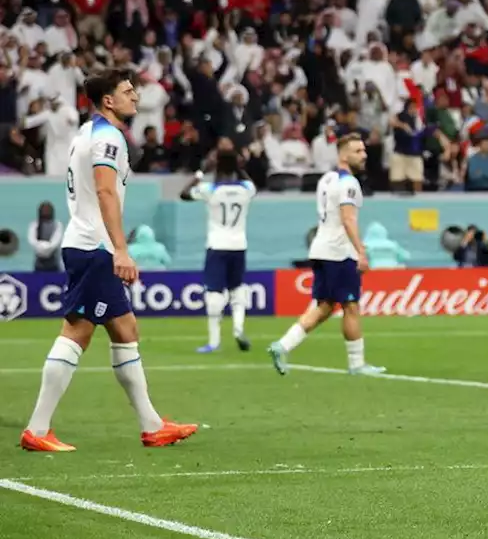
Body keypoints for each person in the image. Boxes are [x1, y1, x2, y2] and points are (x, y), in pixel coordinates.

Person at [20, 68, 197, 452]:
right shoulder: (107, 138)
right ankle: (37, 428)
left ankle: (152, 424)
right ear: (108, 101)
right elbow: (105, 192)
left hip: (86, 244)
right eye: (128, 91)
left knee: (125, 328)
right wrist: (120, 248)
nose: (136, 96)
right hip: (94, 247)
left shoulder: (86, 132)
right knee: (77, 332)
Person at [268, 134, 385, 377]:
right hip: (339, 253)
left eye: (363, 150)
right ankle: (357, 364)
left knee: (324, 307)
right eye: (358, 151)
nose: (364, 155)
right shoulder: (349, 184)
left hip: (320, 249)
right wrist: (361, 251)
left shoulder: (327, 179)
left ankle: (282, 345)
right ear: (344, 155)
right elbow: (348, 218)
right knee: (351, 306)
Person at [180, 150, 256, 353]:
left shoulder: (210, 189)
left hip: (217, 245)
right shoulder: (246, 189)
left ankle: (214, 342)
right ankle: (238, 329)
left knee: (214, 294)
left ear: (217, 167)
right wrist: (239, 168)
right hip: (239, 245)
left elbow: (184, 194)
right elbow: (251, 183)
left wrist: (201, 172)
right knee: (237, 289)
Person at [28, 201, 63, 271]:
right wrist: (40, 246)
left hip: (54, 261)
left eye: (48, 210)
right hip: (39, 262)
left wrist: (47, 247)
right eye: (44, 210)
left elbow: (56, 240)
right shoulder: (35, 225)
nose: (46, 212)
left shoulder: (57, 225)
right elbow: (32, 240)